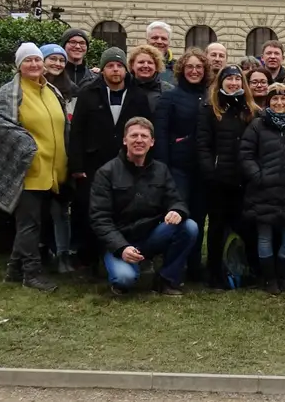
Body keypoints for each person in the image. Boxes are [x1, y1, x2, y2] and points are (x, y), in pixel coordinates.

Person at [0, 44, 69, 292]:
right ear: (19, 65)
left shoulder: (51, 91)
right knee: (30, 225)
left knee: (33, 223)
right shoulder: (11, 92)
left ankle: (13, 270)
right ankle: (32, 274)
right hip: (27, 171)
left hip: (52, 171)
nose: (34, 65)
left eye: (37, 60)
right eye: (27, 61)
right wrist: (27, 145)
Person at [90, 117, 199, 295]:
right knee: (124, 279)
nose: (139, 140)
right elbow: (99, 219)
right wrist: (121, 247)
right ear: (125, 140)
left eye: (144, 136)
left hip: (151, 236)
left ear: (152, 142)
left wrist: (177, 210)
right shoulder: (106, 173)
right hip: (121, 240)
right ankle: (120, 266)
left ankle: (166, 279)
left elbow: (175, 199)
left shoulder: (161, 170)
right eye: (134, 136)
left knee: (189, 227)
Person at [70, 47, 152, 270]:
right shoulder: (88, 94)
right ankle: (87, 258)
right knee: (89, 210)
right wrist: (76, 166)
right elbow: (76, 131)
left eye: (119, 66)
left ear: (126, 70)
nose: (115, 70)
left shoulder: (138, 96)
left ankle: (120, 254)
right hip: (92, 163)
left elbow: (146, 130)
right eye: (110, 66)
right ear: (103, 70)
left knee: (121, 209)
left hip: (125, 164)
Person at [241, 81, 285, 294]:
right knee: (265, 237)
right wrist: (257, 176)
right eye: (275, 99)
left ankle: (283, 276)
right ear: (268, 101)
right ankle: (269, 279)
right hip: (264, 190)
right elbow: (246, 154)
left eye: (283, 98)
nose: (279, 102)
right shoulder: (257, 125)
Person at [153, 48, 210, 284]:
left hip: (202, 169)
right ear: (181, 69)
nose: (194, 71)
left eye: (199, 67)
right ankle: (171, 269)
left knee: (198, 217)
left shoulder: (209, 97)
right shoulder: (170, 97)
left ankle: (194, 266)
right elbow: (162, 133)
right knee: (178, 218)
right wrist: (163, 167)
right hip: (177, 168)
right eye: (190, 67)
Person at [196, 65, 252, 289]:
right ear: (221, 82)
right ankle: (214, 273)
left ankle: (239, 269)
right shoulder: (211, 108)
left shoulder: (248, 109)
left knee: (242, 225)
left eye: (238, 79)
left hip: (242, 179)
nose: (234, 83)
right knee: (217, 227)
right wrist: (210, 171)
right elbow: (203, 144)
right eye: (229, 79)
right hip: (219, 179)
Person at [37, 43, 77, 273]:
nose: (57, 64)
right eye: (52, 59)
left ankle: (63, 254)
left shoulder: (71, 90)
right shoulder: (31, 87)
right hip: (39, 158)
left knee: (60, 210)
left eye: (61, 60)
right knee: (37, 210)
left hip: (63, 157)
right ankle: (40, 250)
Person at [128, 45, 168, 110]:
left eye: (150, 63)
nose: (146, 65)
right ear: (132, 65)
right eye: (141, 62)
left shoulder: (167, 90)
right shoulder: (124, 86)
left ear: (156, 66)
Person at [59, 28, 97, 93]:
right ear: (64, 45)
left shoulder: (94, 78)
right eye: (73, 42)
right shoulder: (55, 75)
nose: (78, 46)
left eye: (82, 43)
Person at [145, 21, 177, 86]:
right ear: (147, 40)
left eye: (163, 38)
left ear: (169, 42)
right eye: (155, 38)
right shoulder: (136, 65)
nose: (159, 41)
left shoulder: (177, 68)